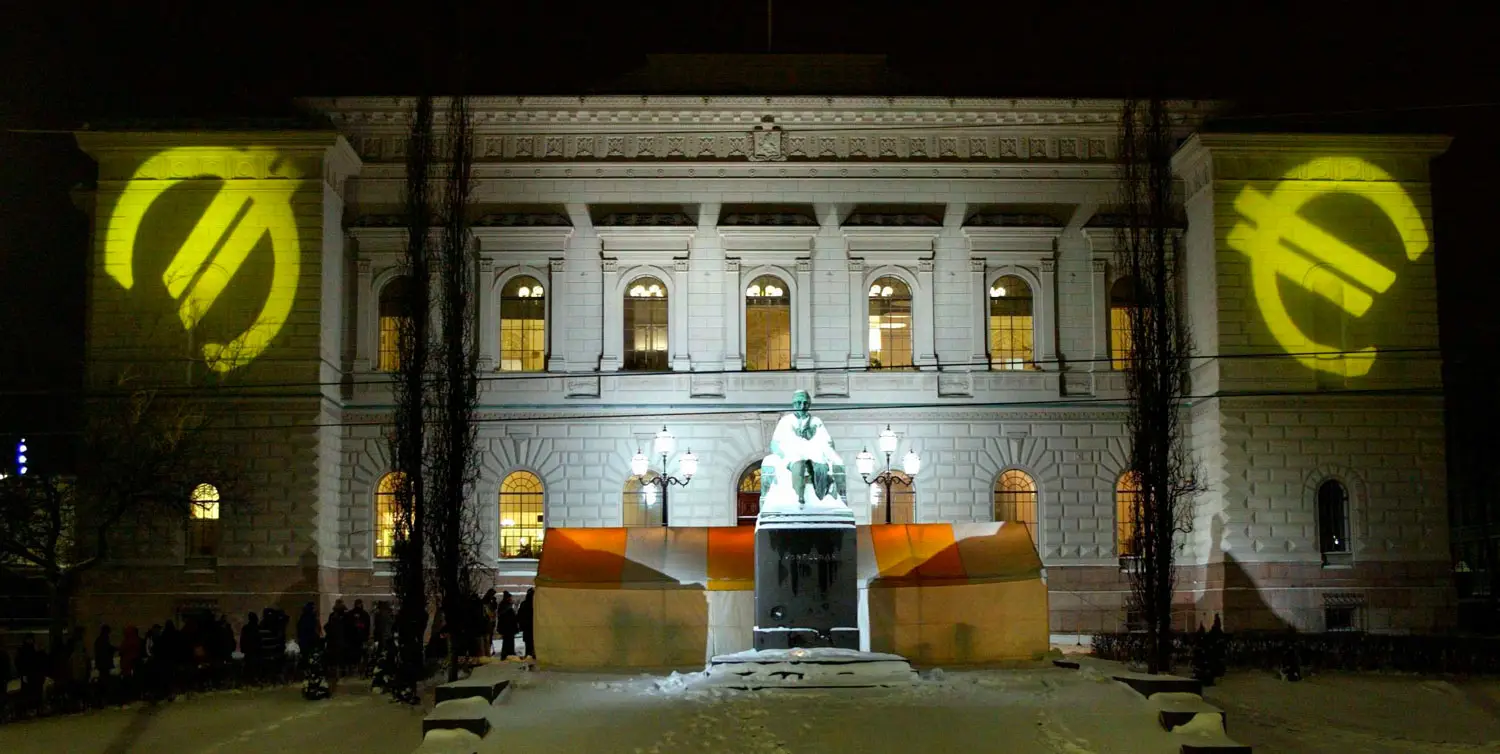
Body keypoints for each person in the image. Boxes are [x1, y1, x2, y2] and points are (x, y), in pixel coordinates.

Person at [94, 625, 116, 705]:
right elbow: (106, 650)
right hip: (104, 663)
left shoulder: (100, 640)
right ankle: (104, 697)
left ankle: (103, 697)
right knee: (105, 680)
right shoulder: (103, 640)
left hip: (102, 664)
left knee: (104, 679)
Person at [119, 626, 142, 697]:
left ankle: (130, 694)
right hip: (134, 663)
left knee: (128, 679)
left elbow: (121, 652)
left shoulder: (125, 642)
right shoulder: (137, 640)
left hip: (127, 664)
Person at [349, 599, 371, 674]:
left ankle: (355, 668)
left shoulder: (350, 614)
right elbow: (367, 626)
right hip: (362, 638)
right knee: (363, 654)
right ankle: (361, 669)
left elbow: (348, 626)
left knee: (354, 654)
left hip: (353, 638)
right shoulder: (365, 614)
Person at [240, 612, 262, 682]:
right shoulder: (258, 628)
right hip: (256, 651)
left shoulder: (246, 628)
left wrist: (243, 649)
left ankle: (249, 679)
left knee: (249, 666)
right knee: (255, 667)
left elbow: (242, 640)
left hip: (249, 651)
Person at [496, 592, 518, 659]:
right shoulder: (506, 606)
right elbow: (507, 617)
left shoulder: (504, 605)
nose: (511, 599)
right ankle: (508, 653)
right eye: (510, 598)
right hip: (508, 627)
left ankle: (508, 653)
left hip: (508, 627)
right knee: (508, 641)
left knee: (508, 640)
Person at [517, 588, 535, 660]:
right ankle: (532, 655)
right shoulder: (535, 604)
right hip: (533, 627)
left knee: (528, 643)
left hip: (526, 627)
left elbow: (519, 615)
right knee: (533, 642)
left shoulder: (523, 604)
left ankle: (528, 655)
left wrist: (521, 625)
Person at [481, 589, 498, 656]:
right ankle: (487, 653)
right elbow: (489, 612)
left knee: (489, 638)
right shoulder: (486, 602)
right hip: (487, 622)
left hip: (490, 622)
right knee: (487, 638)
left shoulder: (489, 601)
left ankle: (488, 652)